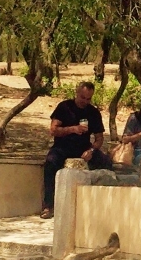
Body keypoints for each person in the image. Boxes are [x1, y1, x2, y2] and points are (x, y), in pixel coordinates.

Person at [41, 81, 112, 219]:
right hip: (62, 146)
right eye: (82, 97)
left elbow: (99, 139)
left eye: (88, 99)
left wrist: (91, 150)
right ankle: (48, 205)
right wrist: (73, 129)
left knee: (106, 163)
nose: (85, 101)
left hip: (83, 147)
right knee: (50, 163)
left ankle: (103, 204)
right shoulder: (64, 107)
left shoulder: (93, 112)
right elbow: (53, 130)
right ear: (77, 93)